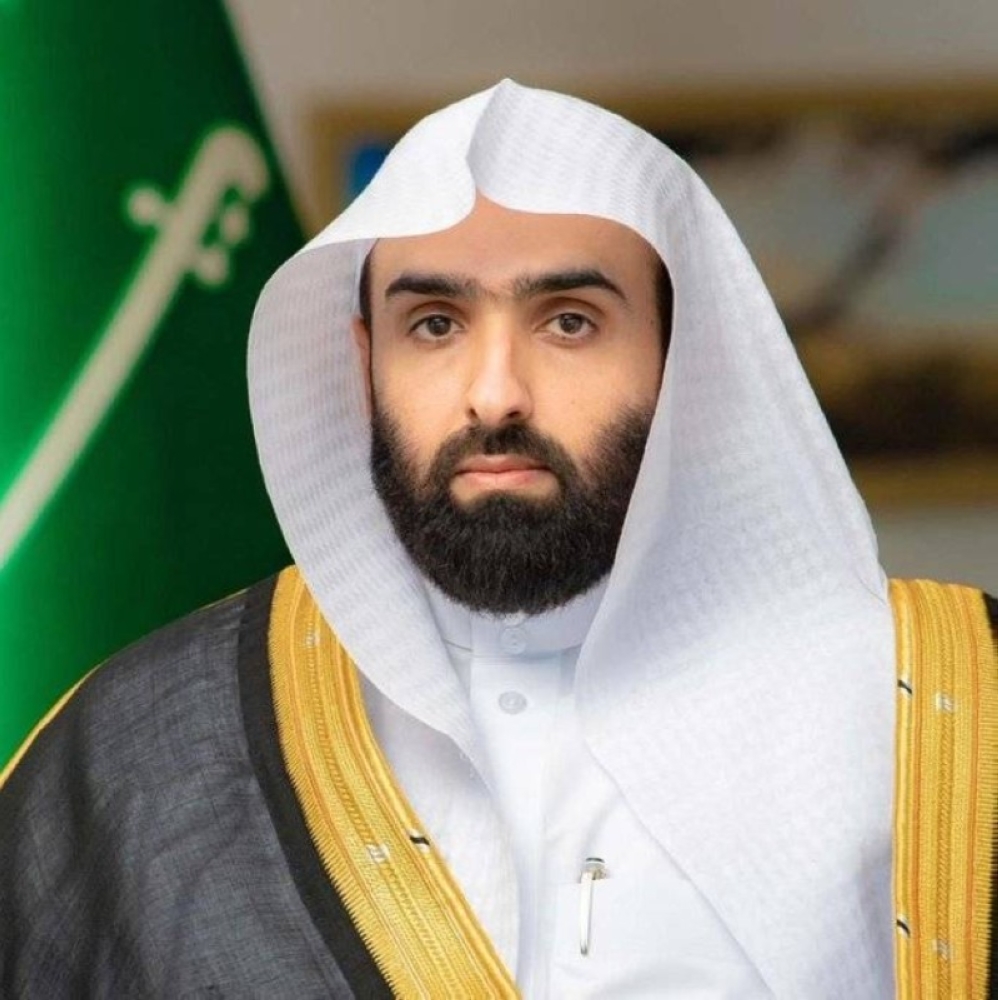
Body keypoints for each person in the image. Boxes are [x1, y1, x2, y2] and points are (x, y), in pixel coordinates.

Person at [1, 80, 995, 1000]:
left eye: (568, 322)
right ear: (362, 364)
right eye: (434, 324)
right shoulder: (142, 752)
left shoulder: (945, 711)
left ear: (684, 360)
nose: (494, 394)